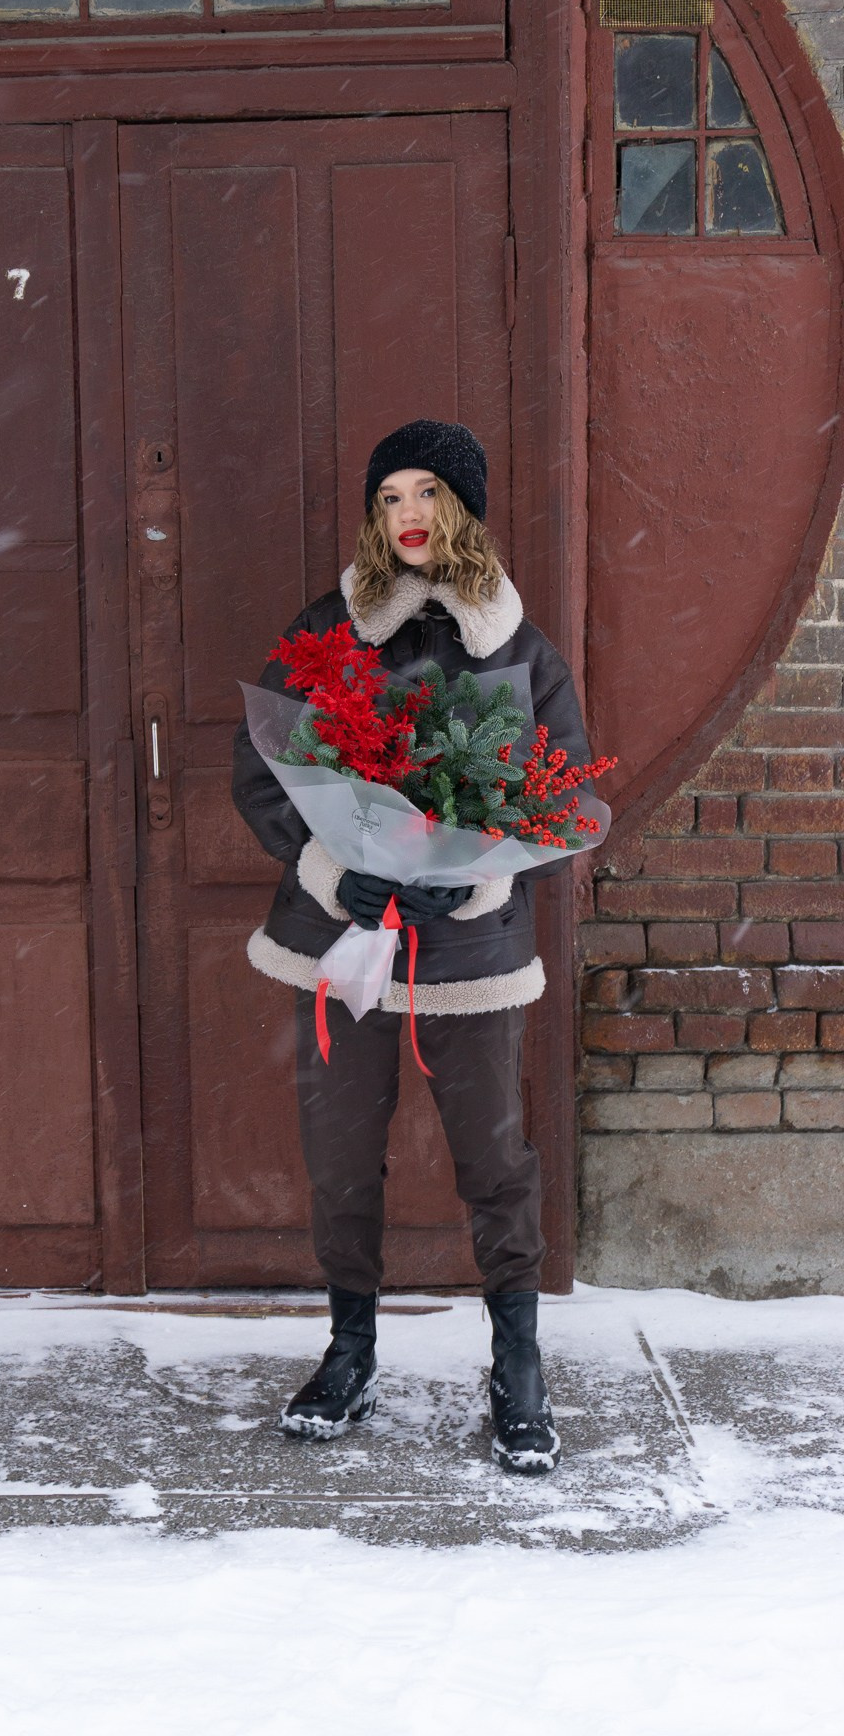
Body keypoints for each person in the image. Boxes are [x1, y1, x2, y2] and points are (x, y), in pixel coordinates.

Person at [231, 419, 594, 1475]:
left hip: (467, 951)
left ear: (461, 507)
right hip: (340, 939)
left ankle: (515, 1364)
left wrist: (476, 875)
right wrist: (332, 870)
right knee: (341, 1153)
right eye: (388, 497)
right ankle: (349, 1349)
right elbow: (263, 772)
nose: (406, 515)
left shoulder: (517, 647)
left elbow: (559, 788)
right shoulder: (326, 629)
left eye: (426, 492)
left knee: (492, 1159)